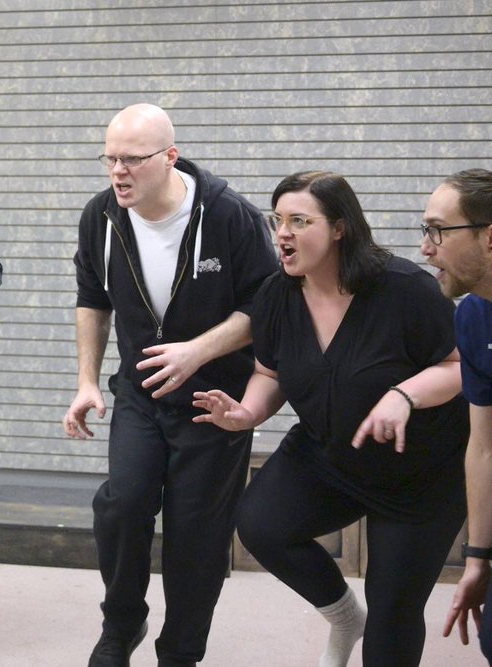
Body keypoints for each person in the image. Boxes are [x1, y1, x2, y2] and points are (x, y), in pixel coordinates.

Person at [195, 171, 467, 667]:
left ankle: (375, 628)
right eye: (277, 220)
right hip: (329, 453)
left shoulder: (404, 289)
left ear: (339, 227)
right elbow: (267, 369)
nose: (283, 233)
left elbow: (457, 366)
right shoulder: (278, 294)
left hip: (420, 476)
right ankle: (344, 616)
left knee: (392, 624)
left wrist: (404, 395)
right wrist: (248, 411)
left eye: (300, 220)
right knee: (261, 525)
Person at [64, 103, 276, 666]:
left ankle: (180, 651)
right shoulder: (101, 216)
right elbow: (93, 299)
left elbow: (266, 306)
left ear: (170, 157)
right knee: (122, 504)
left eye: (131, 159)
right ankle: (122, 623)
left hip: (214, 402)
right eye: (109, 158)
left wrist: (197, 351)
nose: (118, 172)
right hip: (140, 395)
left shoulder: (229, 215)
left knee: (197, 537)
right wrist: (87, 381)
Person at [427, 169, 492, 664]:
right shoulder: (471, 318)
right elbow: (483, 445)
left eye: (438, 231)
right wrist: (478, 557)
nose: (428, 249)